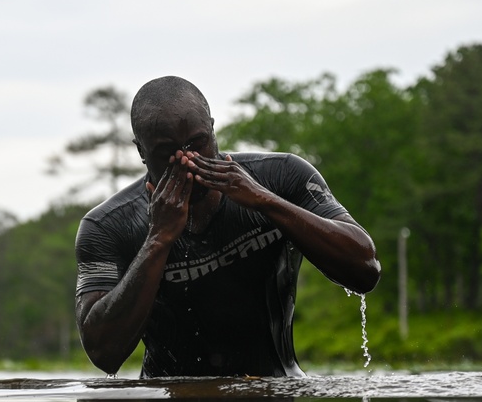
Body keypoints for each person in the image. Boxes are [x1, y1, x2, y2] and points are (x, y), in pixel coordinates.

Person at [75, 76, 381, 378]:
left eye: (197, 143)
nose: (188, 161)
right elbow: (103, 354)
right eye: (167, 152)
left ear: (212, 128)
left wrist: (265, 201)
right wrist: (158, 238)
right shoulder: (107, 226)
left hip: (273, 399)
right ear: (141, 152)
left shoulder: (282, 176)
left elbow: (365, 269)